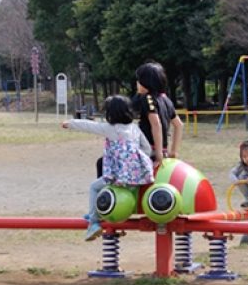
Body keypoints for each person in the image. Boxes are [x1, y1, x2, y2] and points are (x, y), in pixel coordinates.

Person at [62, 95, 154, 241]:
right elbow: (147, 149)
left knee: (94, 187)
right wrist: (136, 161)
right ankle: (99, 213)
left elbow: (89, 126)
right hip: (137, 177)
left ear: (111, 114)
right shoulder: (135, 128)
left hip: (118, 176)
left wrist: (70, 123)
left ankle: (93, 222)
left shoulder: (111, 129)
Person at [134, 62, 183, 166]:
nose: (137, 83)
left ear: (145, 82)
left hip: (148, 151)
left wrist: (158, 154)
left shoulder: (148, 98)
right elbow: (179, 125)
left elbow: (156, 124)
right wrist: (173, 151)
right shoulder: (166, 99)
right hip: (163, 150)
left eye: (138, 80)